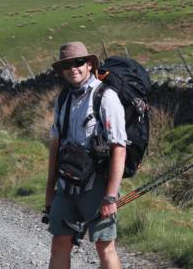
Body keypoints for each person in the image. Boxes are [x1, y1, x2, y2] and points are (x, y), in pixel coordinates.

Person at [45, 42, 128, 269]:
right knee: (59, 243)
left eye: (78, 62)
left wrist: (111, 196)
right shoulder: (62, 100)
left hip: (97, 187)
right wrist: (49, 193)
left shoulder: (106, 97)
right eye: (67, 65)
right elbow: (56, 146)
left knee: (104, 246)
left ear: (89, 64)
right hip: (66, 185)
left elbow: (119, 147)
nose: (73, 68)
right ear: (61, 71)